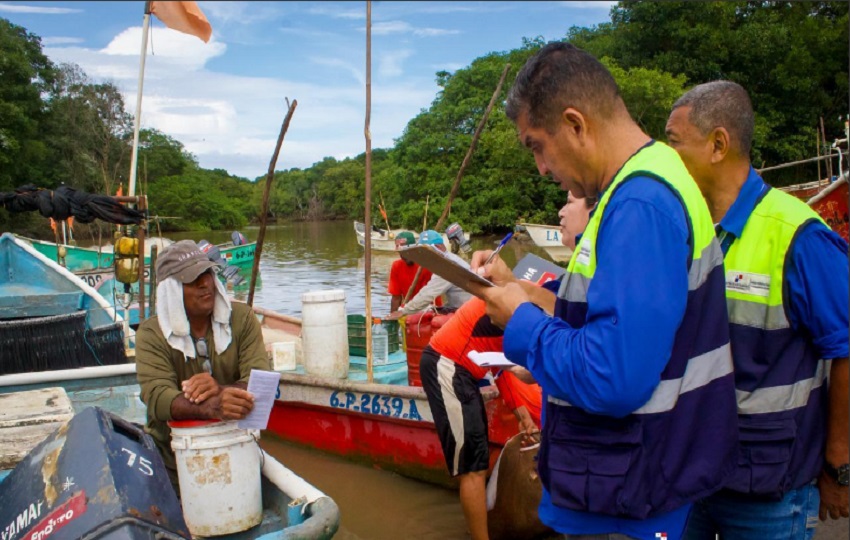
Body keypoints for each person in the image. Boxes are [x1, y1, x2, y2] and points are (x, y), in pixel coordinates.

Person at [470, 42, 739, 540]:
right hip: (640, 480)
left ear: (575, 124)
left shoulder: (639, 205)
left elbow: (612, 377)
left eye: (536, 146)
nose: (541, 168)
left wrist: (524, 324)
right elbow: (611, 318)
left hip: (632, 494)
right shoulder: (642, 183)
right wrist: (519, 291)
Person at [665, 80, 849, 538]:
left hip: (770, 490)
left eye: (674, 143)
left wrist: (838, 465)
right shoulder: (688, 231)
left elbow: (847, 350)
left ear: (718, 145)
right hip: (693, 476)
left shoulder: (798, 235)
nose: (666, 159)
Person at [136, 240, 271, 489]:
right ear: (172, 290)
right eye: (192, 279)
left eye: (207, 273)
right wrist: (211, 406)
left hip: (238, 450)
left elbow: (261, 382)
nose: (204, 283)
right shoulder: (151, 334)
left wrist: (219, 390)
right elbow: (157, 397)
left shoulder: (242, 319)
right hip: (172, 460)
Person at [420, 294, 543, 540]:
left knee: (477, 460)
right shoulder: (514, 303)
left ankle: (476, 529)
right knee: (473, 466)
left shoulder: (520, 304)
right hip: (447, 365)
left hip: (464, 370)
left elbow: (501, 365)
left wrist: (521, 415)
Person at [388, 230, 472, 318]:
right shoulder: (447, 260)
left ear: (438, 247)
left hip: (467, 311)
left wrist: (403, 311)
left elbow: (429, 293)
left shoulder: (446, 265)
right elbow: (396, 297)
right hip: (458, 307)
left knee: (435, 321)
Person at [387, 231, 437, 312]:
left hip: (430, 309)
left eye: (407, 252)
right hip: (409, 308)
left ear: (414, 249)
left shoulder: (427, 265)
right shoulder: (396, 266)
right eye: (401, 252)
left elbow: (432, 296)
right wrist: (392, 316)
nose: (403, 256)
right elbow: (396, 298)